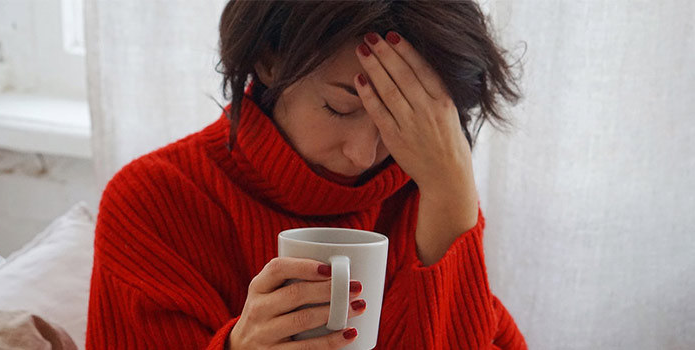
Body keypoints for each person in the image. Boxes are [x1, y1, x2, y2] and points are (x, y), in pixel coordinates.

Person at [86, 1, 526, 349]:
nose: (362, 155)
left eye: (397, 122)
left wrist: (452, 196)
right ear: (268, 61)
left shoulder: (428, 190)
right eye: (341, 107)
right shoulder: (153, 201)